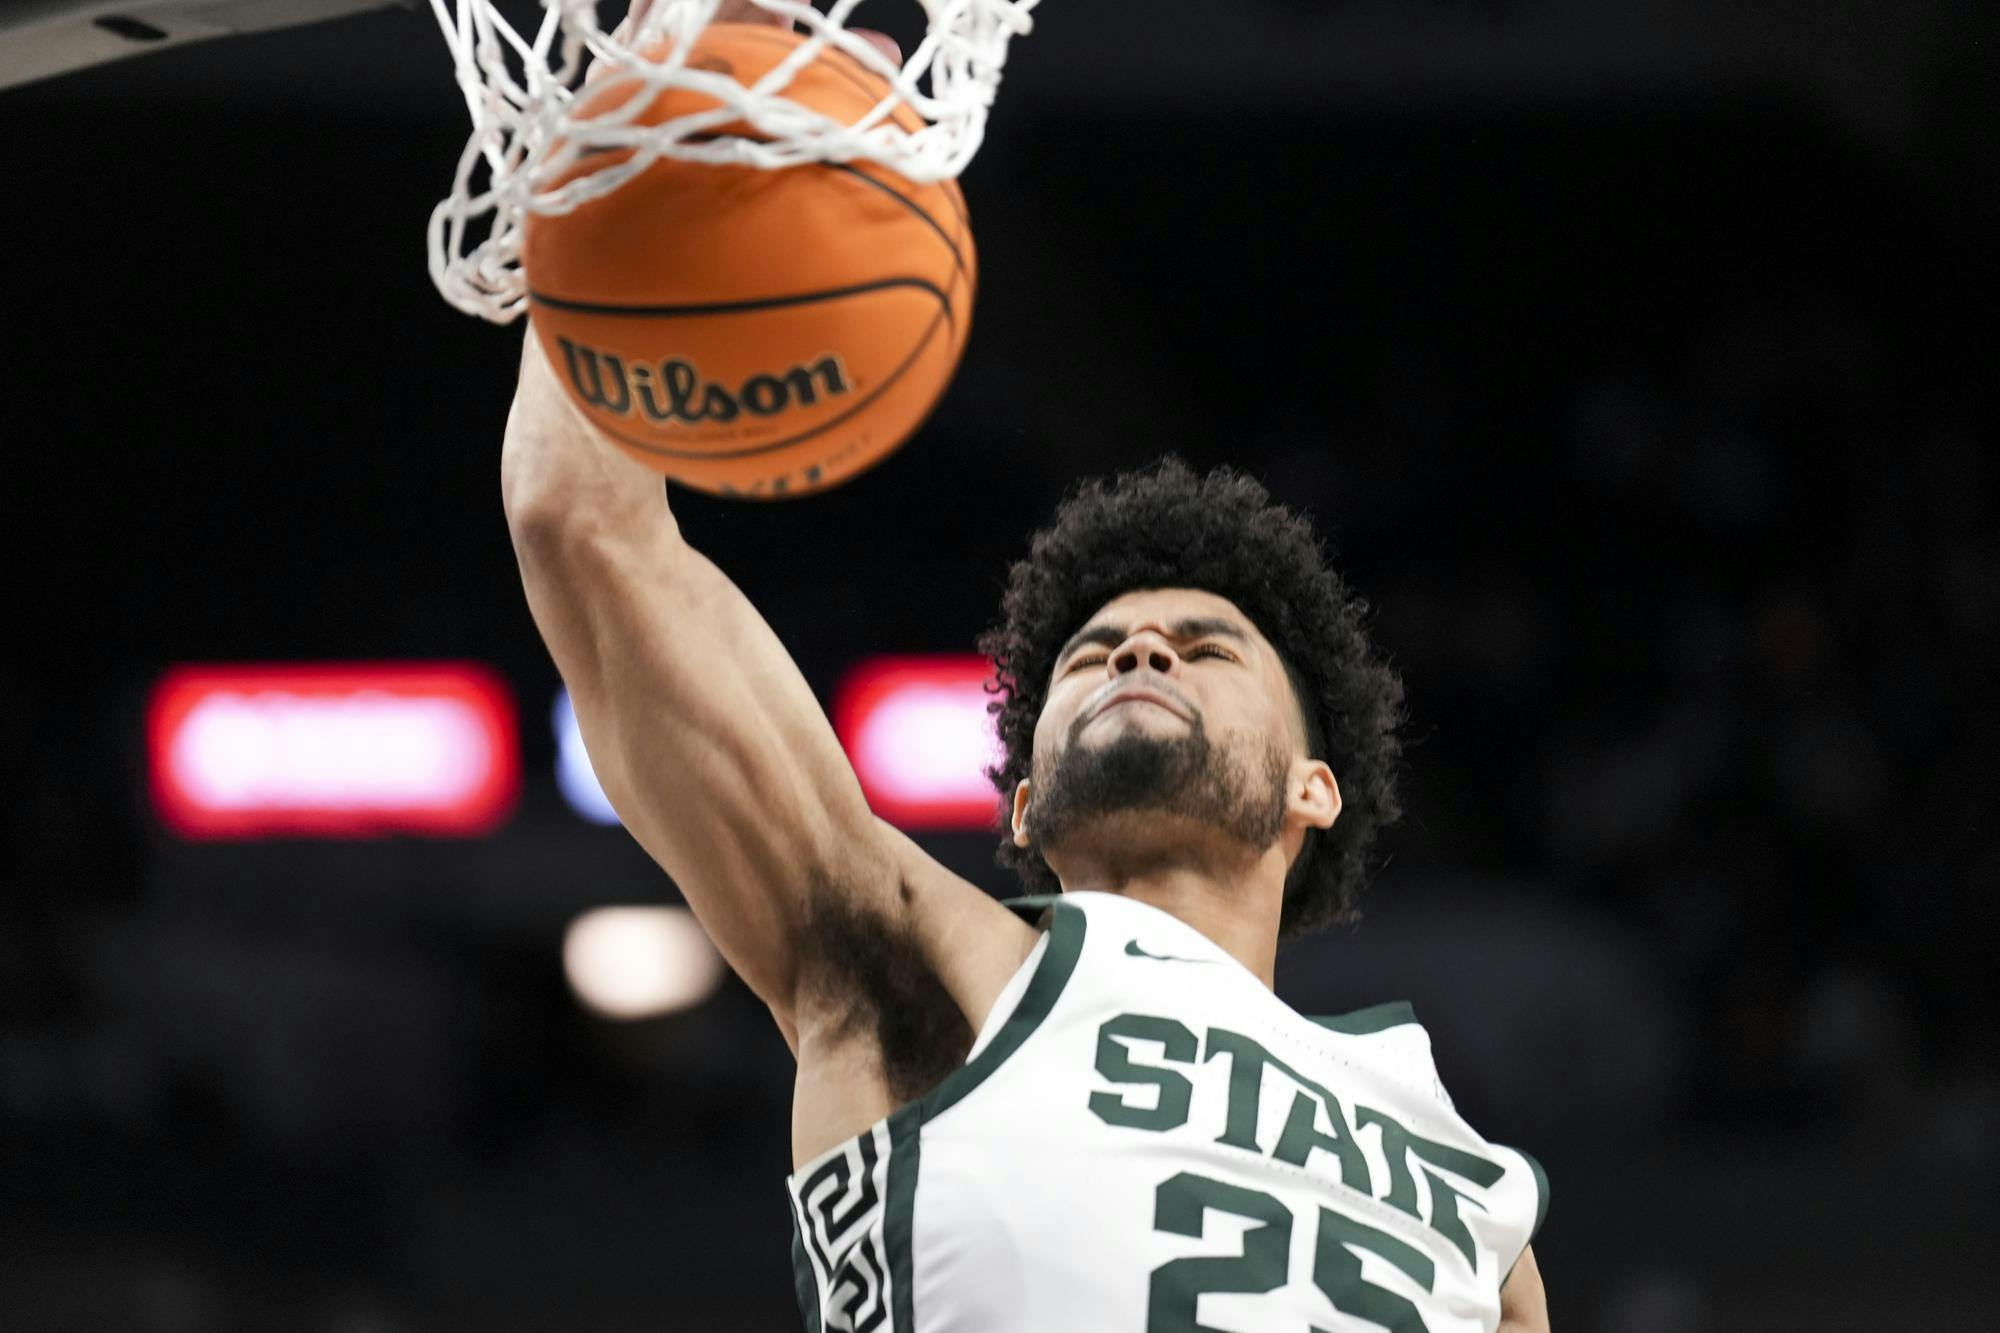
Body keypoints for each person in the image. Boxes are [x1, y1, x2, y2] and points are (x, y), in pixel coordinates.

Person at [501, 15, 1549, 1332]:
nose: (1138, 647)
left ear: (1312, 788)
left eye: (1204, 643)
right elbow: (581, 529)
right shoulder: (921, 963)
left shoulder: (1468, 1178)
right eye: (1092, 653)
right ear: (1021, 809)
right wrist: (657, 112)